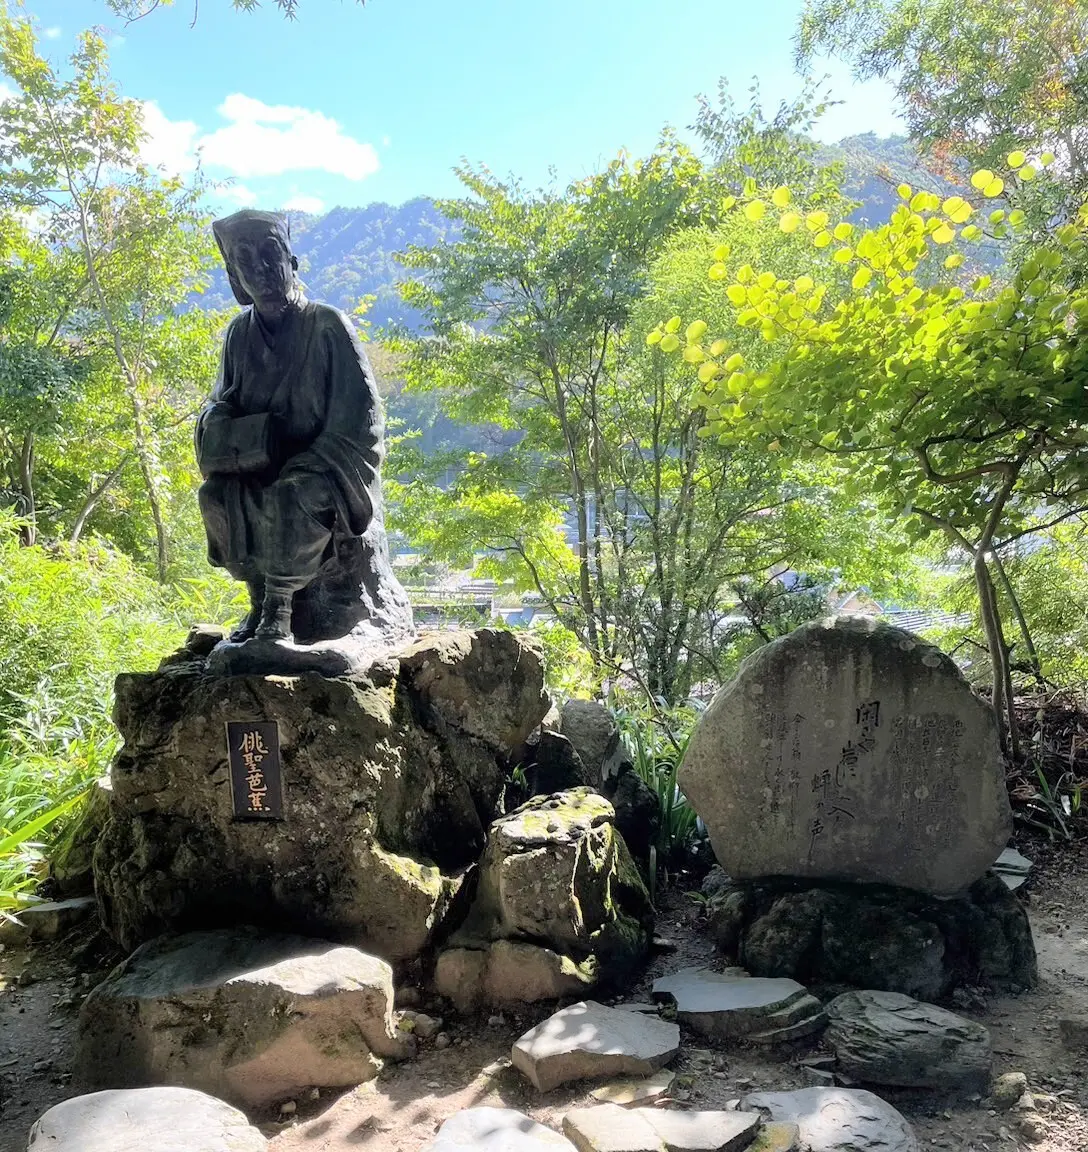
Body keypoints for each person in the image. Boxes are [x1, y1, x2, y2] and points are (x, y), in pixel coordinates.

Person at [195, 209, 412, 648]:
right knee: (215, 496)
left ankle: (279, 610)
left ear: (292, 260)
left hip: (325, 468)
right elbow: (219, 407)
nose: (262, 268)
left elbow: (362, 425)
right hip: (260, 467)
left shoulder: (328, 325)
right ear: (235, 278)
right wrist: (240, 437)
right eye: (246, 260)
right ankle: (258, 599)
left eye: (270, 252)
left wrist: (307, 461)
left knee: (294, 491)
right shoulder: (239, 336)